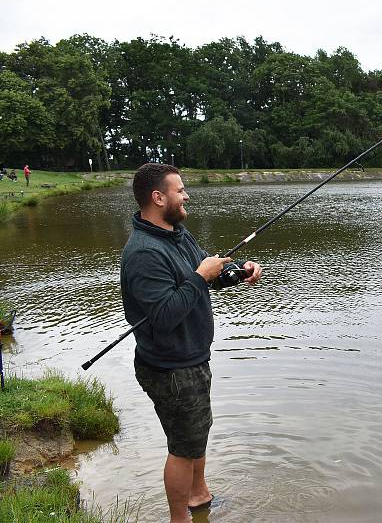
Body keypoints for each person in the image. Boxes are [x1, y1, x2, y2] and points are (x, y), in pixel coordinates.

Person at [121, 163, 262, 523]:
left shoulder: (176, 233)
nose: (186, 196)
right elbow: (165, 316)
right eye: (179, 190)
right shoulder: (144, 253)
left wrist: (237, 271)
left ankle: (199, 497)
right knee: (183, 448)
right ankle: (179, 519)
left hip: (192, 358)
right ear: (158, 197)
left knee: (196, 434)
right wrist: (201, 276)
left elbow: (206, 273)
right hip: (170, 368)